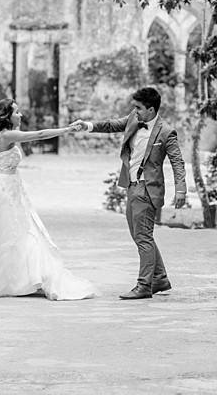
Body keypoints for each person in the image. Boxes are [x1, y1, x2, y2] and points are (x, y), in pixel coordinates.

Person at [0, 98, 97, 301]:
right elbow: (39, 134)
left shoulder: (0, 134)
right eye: (16, 112)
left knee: (16, 231)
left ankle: (19, 279)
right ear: (7, 117)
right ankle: (15, 280)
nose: (20, 115)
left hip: (6, 185)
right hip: (4, 188)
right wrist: (66, 130)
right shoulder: (8, 135)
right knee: (13, 232)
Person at [73, 87, 187, 300]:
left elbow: (177, 161)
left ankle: (144, 285)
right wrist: (86, 125)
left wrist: (181, 189)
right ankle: (160, 278)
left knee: (143, 236)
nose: (134, 111)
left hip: (148, 188)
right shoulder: (134, 119)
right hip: (132, 186)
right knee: (139, 235)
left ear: (151, 110)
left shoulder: (166, 132)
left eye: (138, 108)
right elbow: (110, 125)